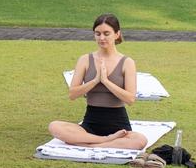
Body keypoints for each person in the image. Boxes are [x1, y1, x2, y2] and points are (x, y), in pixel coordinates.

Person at [48, 14, 148, 149]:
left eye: (106, 33)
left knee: (140, 140)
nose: (101, 38)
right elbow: (72, 94)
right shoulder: (85, 59)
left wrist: (106, 81)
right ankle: (105, 141)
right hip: (90, 123)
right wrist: (95, 80)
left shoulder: (127, 62)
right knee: (54, 126)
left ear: (117, 34)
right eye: (97, 33)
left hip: (118, 125)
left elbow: (130, 99)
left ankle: (89, 144)